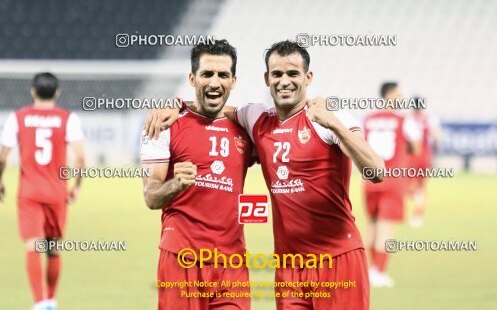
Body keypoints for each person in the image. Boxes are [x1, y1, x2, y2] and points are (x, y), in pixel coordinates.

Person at [145, 40, 384, 310]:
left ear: (308, 77)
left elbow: (376, 171)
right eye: (277, 74)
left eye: (293, 74)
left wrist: (334, 124)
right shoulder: (257, 119)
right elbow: (214, 104)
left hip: (338, 258)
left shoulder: (331, 118)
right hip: (289, 269)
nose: (285, 81)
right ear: (267, 78)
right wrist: (176, 104)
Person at [140, 40, 254, 310]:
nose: (215, 82)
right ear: (192, 78)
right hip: (182, 258)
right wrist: (175, 185)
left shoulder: (246, 128)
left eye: (223, 75)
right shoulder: (163, 125)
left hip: (232, 263)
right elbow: (150, 196)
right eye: (207, 74)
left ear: (233, 81)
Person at [0, 72, 85, 310]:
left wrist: (0, 181)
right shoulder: (68, 119)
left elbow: (3, 157)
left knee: (33, 245)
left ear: (32, 91)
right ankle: (51, 299)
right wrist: (76, 187)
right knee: (54, 247)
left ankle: (39, 302)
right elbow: (80, 158)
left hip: (29, 193)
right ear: (57, 92)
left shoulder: (18, 118)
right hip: (57, 193)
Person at [362, 82, 420, 287]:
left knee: (372, 223)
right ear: (390, 95)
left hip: (369, 179)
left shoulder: (368, 119)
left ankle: (368, 270)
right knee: (386, 227)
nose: (401, 97)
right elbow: (415, 146)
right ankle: (379, 270)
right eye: (399, 93)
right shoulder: (404, 120)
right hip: (392, 179)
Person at [406, 96, 441, 227]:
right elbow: (437, 137)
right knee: (421, 187)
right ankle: (417, 214)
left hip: (411, 157)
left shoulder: (407, 118)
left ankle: (412, 208)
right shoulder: (430, 118)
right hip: (425, 156)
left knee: (407, 185)